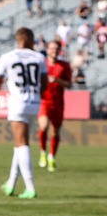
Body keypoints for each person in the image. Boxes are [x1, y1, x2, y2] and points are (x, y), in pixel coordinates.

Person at [0, 27, 48, 199]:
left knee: (22, 144)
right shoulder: (39, 57)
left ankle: (30, 187)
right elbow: (44, 84)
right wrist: (37, 95)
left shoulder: (7, 57)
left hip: (18, 103)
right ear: (28, 38)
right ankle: (11, 183)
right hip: (34, 103)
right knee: (20, 142)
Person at [37, 39, 72, 172]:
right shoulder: (42, 64)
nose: (54, 51)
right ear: (47, 50)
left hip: (58, 102)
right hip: (44, 100)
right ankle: (43, 152)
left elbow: (69, 84)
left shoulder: (64, 66)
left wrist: (57, 80)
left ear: (59, 50)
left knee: (55, 132)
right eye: (52, 48)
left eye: (56, 48)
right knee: (43, 126)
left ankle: (52, 156)